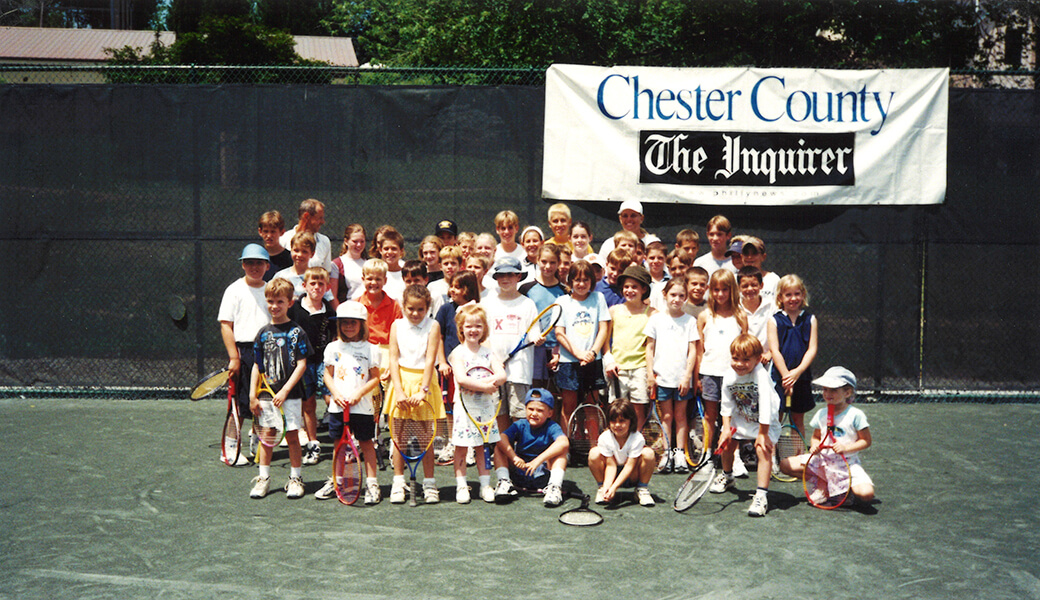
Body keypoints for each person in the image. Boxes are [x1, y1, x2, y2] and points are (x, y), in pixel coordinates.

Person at [248, 278, 311, 499]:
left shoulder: (297, 332)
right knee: (267, 437)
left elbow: (302, 364)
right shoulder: (263, 333)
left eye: (280, 301)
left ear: (290, 302)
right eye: (271, 301)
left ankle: (295, 478)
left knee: (292, 437)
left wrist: (284, 391)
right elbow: (258, 365)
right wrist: (252, 395)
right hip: (266, 397)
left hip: (291, 396)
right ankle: (263, 478)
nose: (274, 306)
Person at [316, 301, 383, 504]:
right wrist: (335, 393)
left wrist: (359, 394)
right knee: (339, 445)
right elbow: (327, 375)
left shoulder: (372, 349)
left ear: (362, 325)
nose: (348, 327)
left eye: (353, 323)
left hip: (362, 407)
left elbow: (375, 378)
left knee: (366, 444)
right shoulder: (332, 347)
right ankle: (338, 480)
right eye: (344, 323)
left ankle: (372, 484)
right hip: (338, 407)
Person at [778, 366, 875, 504]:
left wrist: (845, 449)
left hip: (847, 464)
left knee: (866, 495)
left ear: (847, 393)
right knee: (785, 465)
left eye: (834, 390)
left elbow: (866, 441)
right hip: (822, 461)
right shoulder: (821, 414)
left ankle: (844, 491)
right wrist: (815, 446)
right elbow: (816, 436)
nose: (828, 393)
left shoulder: (856, 415)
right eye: (825, 389)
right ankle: (825, 484)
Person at [709, 334, 782, 517]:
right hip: (741, 416)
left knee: (762, 449)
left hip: (766, 421)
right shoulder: (729, 376)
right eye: (735, 358)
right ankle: (728, 476)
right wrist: (726, 429)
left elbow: (766, 406)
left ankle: (761, 496)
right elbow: (726, 404)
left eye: (746, 360)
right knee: (727, 445)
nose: (739, 364)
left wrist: (762, 434)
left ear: (758, 360)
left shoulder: (761, 376)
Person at [385, 284, 444, 504]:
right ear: (403, 306)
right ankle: (398, 483)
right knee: (398, 438)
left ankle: (429, 483)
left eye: (420, 309)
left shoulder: (434, 325)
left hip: (424, 383)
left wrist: (423, 390)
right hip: (401, 382)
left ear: (427, 307)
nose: (415, 314)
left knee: (425, 439)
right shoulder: (396, 326)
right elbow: (392, 359)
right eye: (410, 309)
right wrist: (399, 391)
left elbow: (430, 359)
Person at [217, 243, 271, 465]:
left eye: (259, 263)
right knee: (239, 403)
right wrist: (235, 358)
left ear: (267, 266)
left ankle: (256, 442)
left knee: (263, 402)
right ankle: (230, 449)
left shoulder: (272, 289)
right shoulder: (234, 290)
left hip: (269, 351)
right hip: (244, 352)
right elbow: (226, 325)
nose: (254, 267)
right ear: (242, 265)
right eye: (249, 263)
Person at [448, 304, 507, 504]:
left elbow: (501, 374)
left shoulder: (489, 352)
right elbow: (462, 380)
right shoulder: (457, 353)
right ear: (461, 329)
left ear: (484, 329)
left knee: (483, 446)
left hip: (485, 408)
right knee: (462, 446)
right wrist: (486, 386)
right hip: (464, 408)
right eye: (469, 326)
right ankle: (462, 485)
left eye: (478, 326)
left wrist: (488, 385)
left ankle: (485, 485)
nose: (473, 330)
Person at [644, 277, 701, 475]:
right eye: (673, 295)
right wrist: (650, 375)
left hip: (681, 380)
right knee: (666, 416)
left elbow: (693, 351)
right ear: (665, 295)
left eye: (681, 296)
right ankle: (666, 453)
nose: (677, 299)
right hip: (662, 379)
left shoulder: (690, 321)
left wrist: (687, 377)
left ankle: (680, 454)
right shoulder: (656, 320)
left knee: (681, 416)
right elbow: (649, 348)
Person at [481, 256, 542, 433]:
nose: (505, 278)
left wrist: (537, 338)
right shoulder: (487, 303)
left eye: (510, 274)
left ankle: (518, 452)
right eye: (501, 275)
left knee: (519, 412)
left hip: (519, 371)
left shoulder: (527, 304)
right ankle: (503, 451)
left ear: (518, 277)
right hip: (494, 370)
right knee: (499, 413)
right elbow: (483, 336)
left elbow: (533, 331)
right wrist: (493, 359)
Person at [697, 269, 749, 472]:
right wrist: (698, 377)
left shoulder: (740, 315)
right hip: (710, 374)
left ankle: (734, 458)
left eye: (724, 290)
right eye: (716, 290)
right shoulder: (704, 316)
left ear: (732, 291)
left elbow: (745, 347)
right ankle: (707, 457)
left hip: (734, 376)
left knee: (733, 418)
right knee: (710, 417)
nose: (720, 294)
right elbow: (700, 350)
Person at [554, 260, 611, 432]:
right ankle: (566, 449)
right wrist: (578, 354)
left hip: (592, 361)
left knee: (591, 406)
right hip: (568, 362)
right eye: (577, 280)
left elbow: (603, 329)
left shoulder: (598, 298)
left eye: (586, 280)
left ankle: (595, 448)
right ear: (570, 281)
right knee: (568, 407)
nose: (581, 284)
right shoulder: (562, 302)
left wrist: (592, 353)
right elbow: (559, 333)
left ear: (592, 282)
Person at [287, 267, 336, 465]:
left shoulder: (330, 312)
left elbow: (336, 337)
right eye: (312, 283)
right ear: (304, 286)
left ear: (327, 287)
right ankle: (313, 443)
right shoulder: (294, 310)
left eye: (321, 283)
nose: (316, 287)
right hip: (302, 364)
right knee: (308, 404)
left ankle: (342, 439)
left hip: (324, 363)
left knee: (331, 399)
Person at [493, 387, 570, 507]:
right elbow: (502, 438)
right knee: (499, 448)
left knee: (561, 454)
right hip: (520, 471)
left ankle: (554, 487)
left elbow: (564, 442)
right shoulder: (520, 424)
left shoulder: (552, 427)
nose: (534, 413)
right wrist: (514, 458)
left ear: (550, 413)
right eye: (530, 409)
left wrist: (537, 461)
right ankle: (504, 482)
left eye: (540, 410)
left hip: (543, 474)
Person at [767, 274, 818, 436]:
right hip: (779, 379)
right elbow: (775, 351)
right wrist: (786, 377)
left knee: (797, 421)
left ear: (803, 295)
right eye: (788, 294)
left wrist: (796, 373)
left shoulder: (810, 319)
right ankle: (773, 459)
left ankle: (798, 458)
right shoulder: (774, 321)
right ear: (780, 297)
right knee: (776, 420)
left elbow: (812, 349)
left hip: (801, 379)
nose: (793, 298)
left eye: (797, 294)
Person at [605, 265, 655, 426]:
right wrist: (609, 361)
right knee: (616, 410)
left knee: (637, 410)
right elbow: (606, 343)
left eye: (634, 287)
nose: (629, 290)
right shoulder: (614, 311)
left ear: (644, 289)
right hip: (618, 369)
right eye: (626, 286)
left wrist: (650, 373)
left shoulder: (652, 313)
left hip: (640, 368)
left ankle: (636, 444)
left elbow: (651, 346)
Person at [589, 398, 657, 507]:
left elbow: (629, 466)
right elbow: (611, 466)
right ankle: (602, 489)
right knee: (594, 453)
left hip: (632, 474)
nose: (617, 425)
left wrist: (614, 487)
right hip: (613, 472)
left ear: (631, 421)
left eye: (622, 421)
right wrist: (608, 487)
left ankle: (642, 489)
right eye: (613, 421)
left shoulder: (637, 438)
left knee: (648, 453)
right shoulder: (604, 438)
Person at [519, 243, 567, 388]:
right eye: (544, 261)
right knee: (535, 393)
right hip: (532, 350)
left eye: (553, 262)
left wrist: (558, 350)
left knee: (555, 395)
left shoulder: (565, 291)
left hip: (557, 351)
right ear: (537, 260)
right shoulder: (526, 289)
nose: (548, 266)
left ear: (558, 263)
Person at [274, 231, 335, 305]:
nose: (299, 255)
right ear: (291, 250)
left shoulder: (318, 277)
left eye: (304, 252)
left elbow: (330, 301)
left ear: (312, 254)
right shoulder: (281, 276)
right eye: (296, 250)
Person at [357, 258, 402, 352]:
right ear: (363, 279)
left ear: (385, 281)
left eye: (378, 279)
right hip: (361, 349)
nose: (373, 283)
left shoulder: (394, 306)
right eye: (369, 279)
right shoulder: (356, 304)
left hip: (386, 349)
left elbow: (399, 335)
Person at [279, 198, 333, 275]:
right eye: (319, 218)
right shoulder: (283, 239)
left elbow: (327, 273)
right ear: (306, 216)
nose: (323, 222)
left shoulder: (324, 241)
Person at [738, 266, 773, 366]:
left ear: (761, 285)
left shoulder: (772, 307)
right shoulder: (735, 308)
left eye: (754, 285)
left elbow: (780, 334)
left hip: (766, 362)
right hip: (742, 363)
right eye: (745, 286)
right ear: (738, 287)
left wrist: (770, 353)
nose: (750, 289)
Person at [740, 237, 779, 310]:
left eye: (754, 253)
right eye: (746, 253)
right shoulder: (734, 279)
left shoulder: (773, 279)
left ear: (763, 257)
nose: (749, 257)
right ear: (741, 256)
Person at [333, 224, 366, 303]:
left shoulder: (368, 264)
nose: (359, 245)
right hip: (346, 312)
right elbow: (333, 297)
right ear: (346, 241)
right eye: (355, 241)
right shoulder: (336, 264)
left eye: (362, 241)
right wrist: (340, 313)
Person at [258, 211, 291, 281]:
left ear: (282, 232)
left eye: (273, 231)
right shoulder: (257, 257)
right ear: (260, 231)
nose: (269, 236)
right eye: (266, 231)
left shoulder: (290, 258)